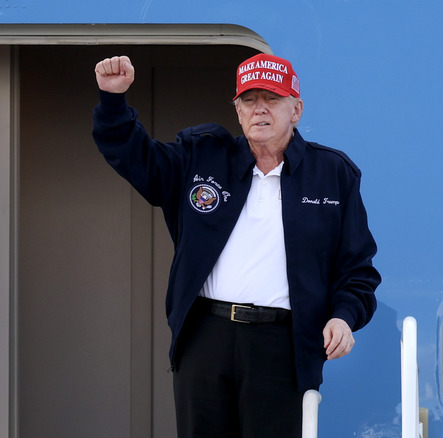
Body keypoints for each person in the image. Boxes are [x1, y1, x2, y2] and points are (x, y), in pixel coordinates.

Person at [92, 53, 381, 437]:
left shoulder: (332, 173)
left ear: (296, 109)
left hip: (284, 346)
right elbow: (136, 157)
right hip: (205, 338)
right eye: (249, 99)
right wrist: (114, 100)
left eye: (272, 99)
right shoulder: (200, 154)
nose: (259, 109)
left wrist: (344, 317)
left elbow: (357, 269)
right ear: (238, 110)